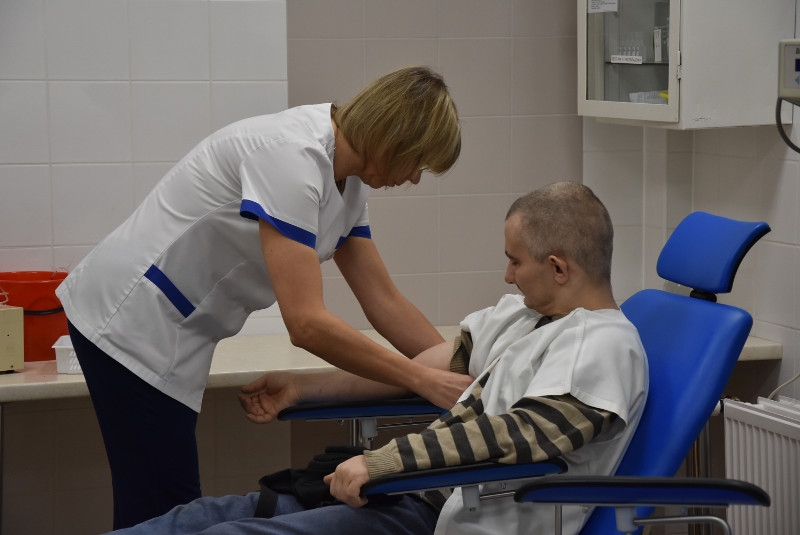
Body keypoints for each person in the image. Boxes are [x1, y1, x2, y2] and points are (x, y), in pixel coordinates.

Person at [56, 66, 469, 530]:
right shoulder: (290, 155)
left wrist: (459, 368)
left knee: (166, 510)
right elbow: (306, 324)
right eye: (418, 163)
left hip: (175, 331)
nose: (415, 178)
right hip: (131, 319)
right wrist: (421, 378)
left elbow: (384, 300)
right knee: (162, 509)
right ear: (394, 138)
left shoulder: (348, 181)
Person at [108, 181, 649, 535]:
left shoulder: (601, 346)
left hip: (446, 517)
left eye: (515, 262)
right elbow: (423, 369)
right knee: (197, 518)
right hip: (410, 496)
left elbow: (517, 435)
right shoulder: (527, 317)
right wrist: (305, 388)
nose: (507, 275)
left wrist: (384, 462)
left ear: (558, 268)